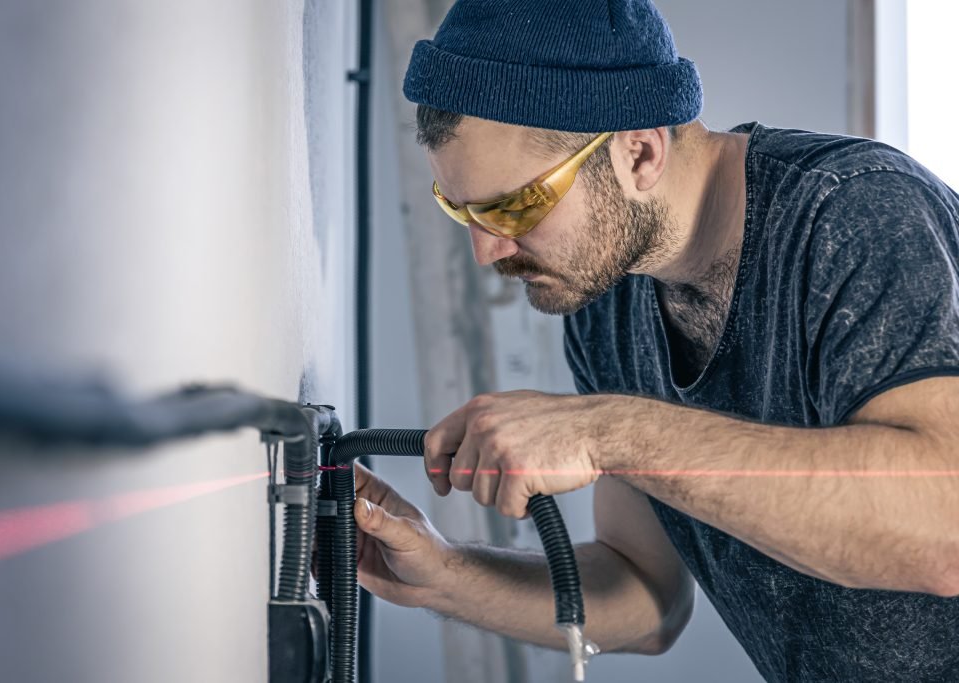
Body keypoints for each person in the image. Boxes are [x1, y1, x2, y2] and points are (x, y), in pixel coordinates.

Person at [351, 1, 959, 680]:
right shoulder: (605, 300)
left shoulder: (857, 214)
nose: (487, 252)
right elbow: (646, 592)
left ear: (640, 150)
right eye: (461, 209)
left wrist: (606, 431)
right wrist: (440, 572)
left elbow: (945, 525)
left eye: (514, 206)